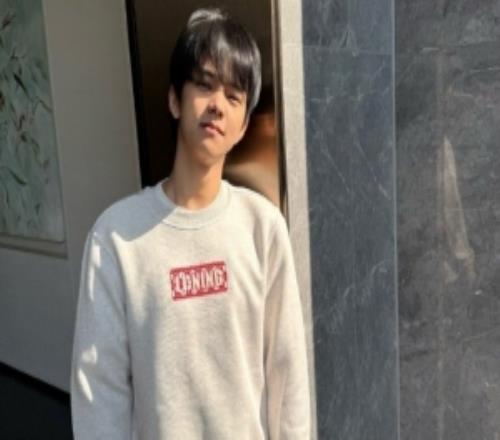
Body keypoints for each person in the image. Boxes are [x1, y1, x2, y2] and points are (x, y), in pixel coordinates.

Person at [70, 8, 310, 440]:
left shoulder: (262, 228)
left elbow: (287, 371)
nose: (217, 104)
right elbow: (99, 390)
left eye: (234, 96)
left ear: (243, 126)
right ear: (174, 100)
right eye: (204, 84)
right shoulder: (116, 237)